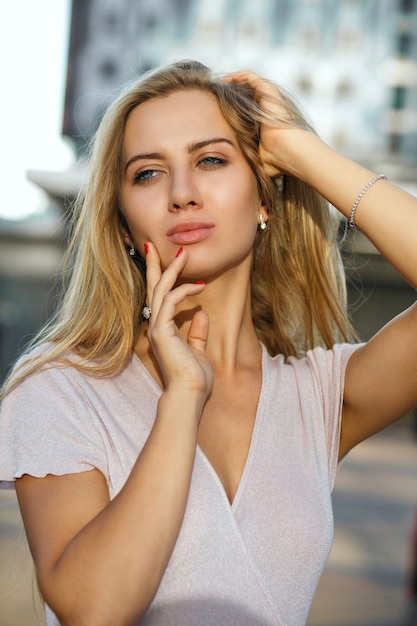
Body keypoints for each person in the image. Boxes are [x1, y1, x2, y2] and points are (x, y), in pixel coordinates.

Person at [1, 59, 416, 626]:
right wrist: (182, 398)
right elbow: (95, 609)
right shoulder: (60, 390)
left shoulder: (320, 395)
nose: (182, 193)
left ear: (265, 199)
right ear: (123, 224)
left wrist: (298, 150)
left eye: (212, 160)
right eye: (147, 173)